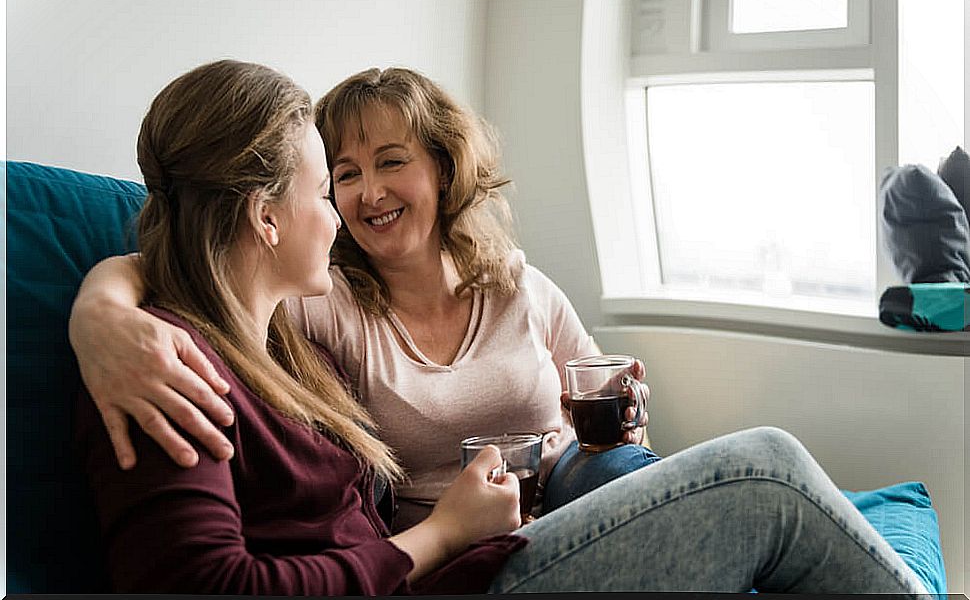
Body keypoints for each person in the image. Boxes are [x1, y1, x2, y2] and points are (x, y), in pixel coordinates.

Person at [76, 59, 928, 594]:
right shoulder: (191, 360)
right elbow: (172, 259)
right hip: (452, 561)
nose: (343, 210)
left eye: (388, 164)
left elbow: (193, 259)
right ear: (269, 215)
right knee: (769, 469)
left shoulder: (268, 347)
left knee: (668, 472)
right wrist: (102, 314)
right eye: (327, 184)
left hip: (493, 539)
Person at [70, 67, 660, 529]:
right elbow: (184, 264)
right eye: (343, 175)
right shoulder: (322, 295)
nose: (369, 192)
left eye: (392, 162)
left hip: (571, 496)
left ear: (443, 168)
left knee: (628, 471)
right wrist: (99, 314)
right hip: (454, 548)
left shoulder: (519, 285)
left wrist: (625, 415)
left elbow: (608, 410)